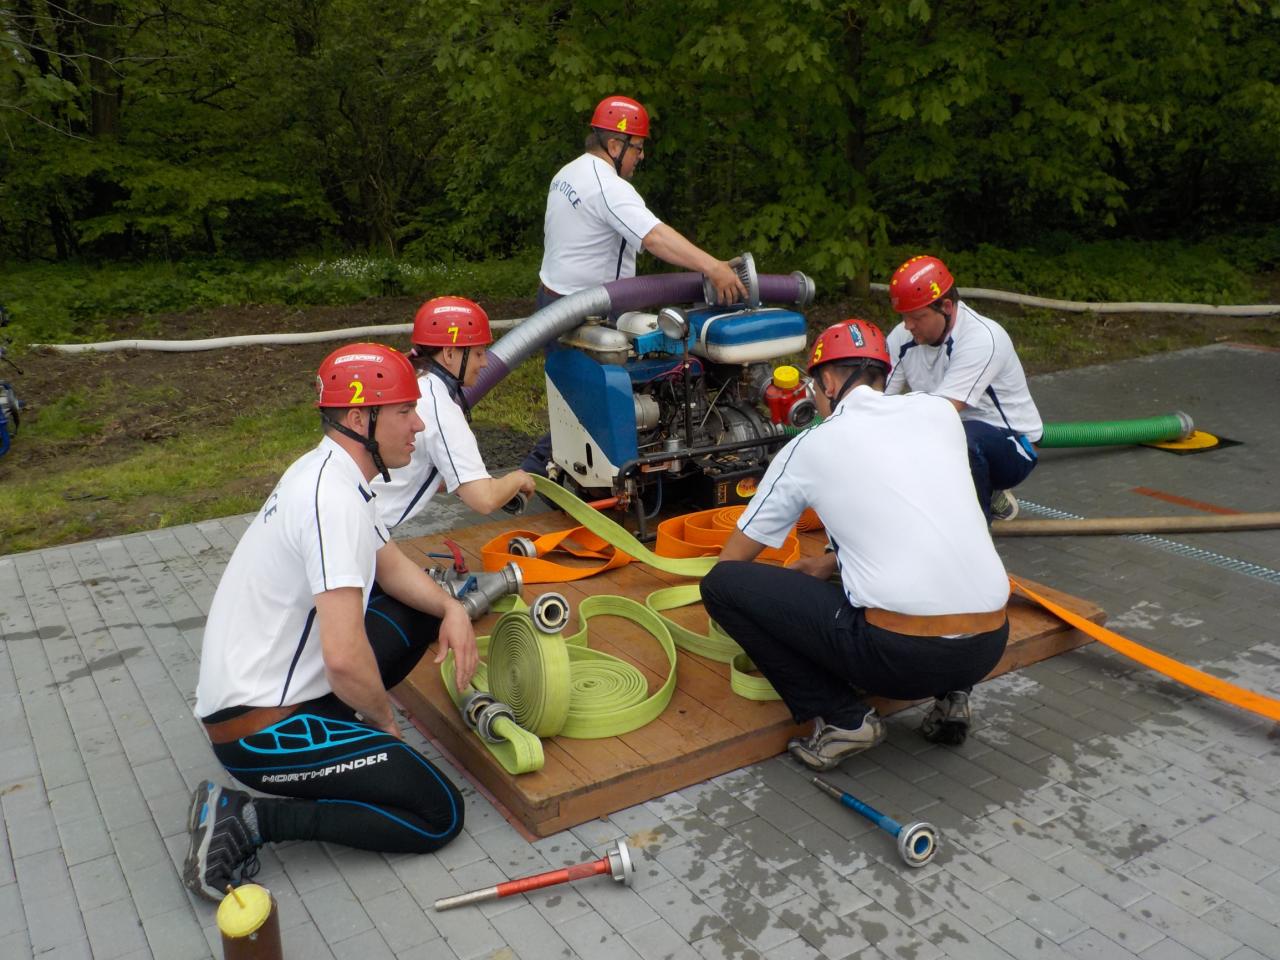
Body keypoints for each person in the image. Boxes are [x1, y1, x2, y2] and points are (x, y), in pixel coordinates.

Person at [183, 343, 480, 902]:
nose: (418, 426)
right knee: (438, 813)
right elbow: (342, 657)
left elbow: (390, 567)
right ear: (360, 419)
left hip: (271, 691)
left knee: (421, 607)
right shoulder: (331, 501)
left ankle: (345, 731)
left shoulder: (332, 471)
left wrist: (453, 609)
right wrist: (384, 722)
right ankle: (246, 819)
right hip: (258, 731)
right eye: (404, 412)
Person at [700, 319, 1011, 771]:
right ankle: (952, 700)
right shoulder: (939, 413)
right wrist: (829, 562)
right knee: (938, 574)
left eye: (815, 387)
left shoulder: (810, 445)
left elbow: (733, 562)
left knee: (723, 587)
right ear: (882, 375)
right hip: (988, 646)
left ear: (827, 382)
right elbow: (910, 507)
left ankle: (843, 720)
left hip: (900, 660)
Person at [522, 94, 750, 475]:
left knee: (573, 401)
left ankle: (561, 473)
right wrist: (713, 267)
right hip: (587, 312)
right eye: (638, 147)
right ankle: (533, 475)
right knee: (596, 404)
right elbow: (655, 237)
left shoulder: (567, 174)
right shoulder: (608, 187)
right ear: (615, 145)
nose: (641, 156)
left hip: (553, 301)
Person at [884, 255, 1043, 522]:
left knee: (958, 439)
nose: (908, 325)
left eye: (917, 317)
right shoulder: (903, 336)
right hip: (952, 434)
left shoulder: (982, 338)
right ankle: (981, 499)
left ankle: (976, 531)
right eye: (903, 316)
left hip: (1013, 446)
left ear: (946, 307)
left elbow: (940, 413)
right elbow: (875, 401)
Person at [373, 296, 535, 530]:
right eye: (478, 353)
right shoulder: (440, 409)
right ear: (449, 354)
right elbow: (484, 500)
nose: (485, 363)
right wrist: (518, 478)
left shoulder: (411, 382)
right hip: (361, 529)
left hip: (345, 514)